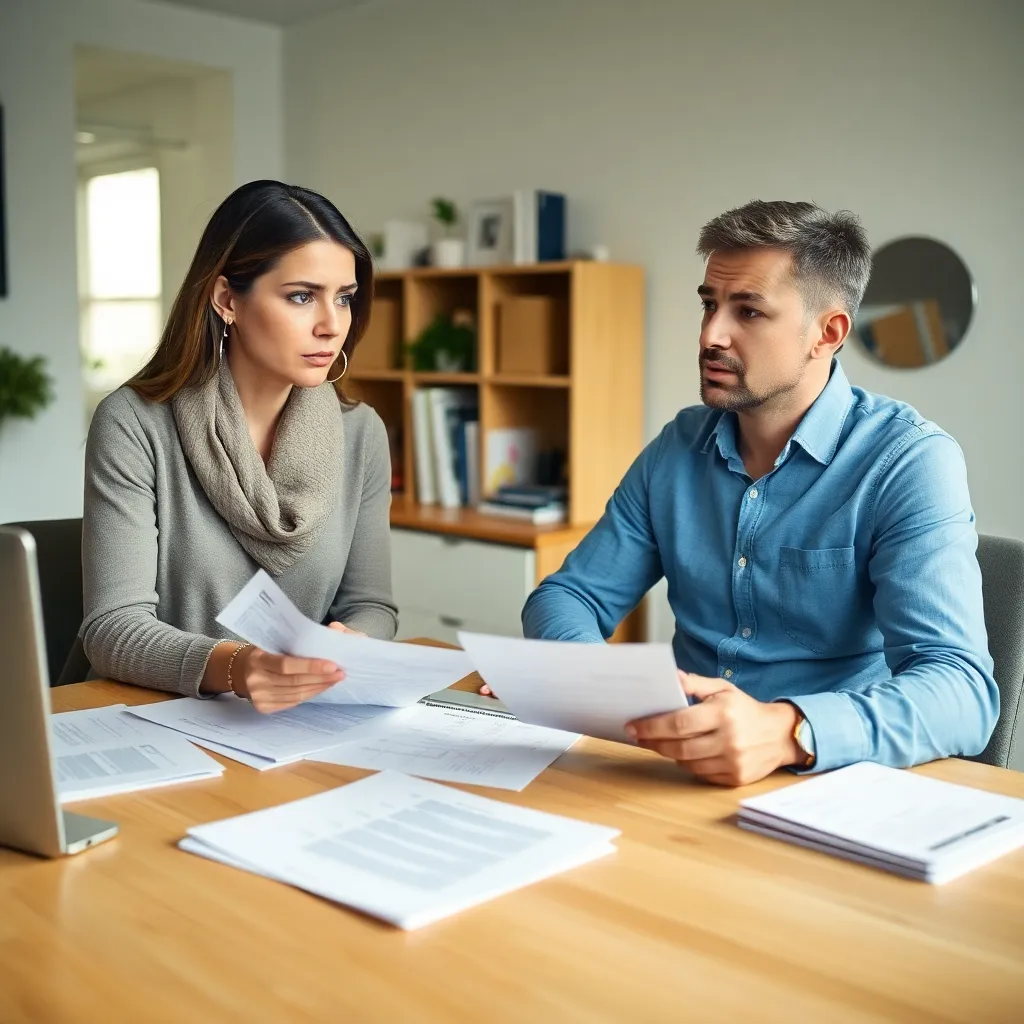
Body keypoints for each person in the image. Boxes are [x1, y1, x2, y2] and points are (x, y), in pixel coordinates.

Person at [515, 200, 998, 785]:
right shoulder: (677, 448)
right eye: (709, 304)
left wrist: (789, 729)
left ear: (827, 332)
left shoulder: (908, 462)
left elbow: (961, 691)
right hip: (675, 769)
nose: (711, 334)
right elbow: (567, 597)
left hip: (825, 779)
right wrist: (597, 681)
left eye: (748, 311)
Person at [80, 180, 398, 713]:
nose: (332, 325)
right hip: (149, 718)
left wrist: (353, 643)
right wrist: (238, 667)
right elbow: (113, 628)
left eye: (344, 298)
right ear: (227, 299)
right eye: (302, 296)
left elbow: (370, 605)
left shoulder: (361, 433)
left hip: (294, 725)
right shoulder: (134, 423)